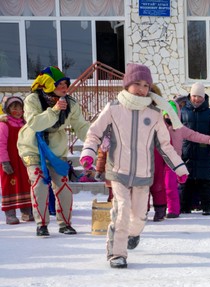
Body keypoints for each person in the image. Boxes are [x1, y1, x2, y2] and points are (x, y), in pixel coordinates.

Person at [79, 63, 189, 269]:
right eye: (137, 83)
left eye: (146, 85)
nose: (142, 88)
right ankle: (116, 253)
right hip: (118, 171)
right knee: (122, 210)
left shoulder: (155, 114)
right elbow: (94, 133)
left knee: (139, 216)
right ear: (127, 84)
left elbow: (165, 145)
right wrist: (88, 154)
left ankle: (133, 233)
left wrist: (179, 168)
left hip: (142, 173)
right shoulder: (113, 109)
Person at [17, 66, 90, 237]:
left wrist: (96, 139)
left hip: (56, 149)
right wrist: (55, 110)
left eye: (66, 84)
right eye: (60, 84)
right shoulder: (32, 100)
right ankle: (41, 224)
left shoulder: (70, 103)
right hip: (33, 147)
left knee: (63, 185)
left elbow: (81, 126)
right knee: (40, 185)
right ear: (48, 85)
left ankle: (65, 223)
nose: (65, 88)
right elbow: (35, 123)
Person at [151, 98, 210, 221]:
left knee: (170, 186)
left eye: (172, 114)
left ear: (177, 115)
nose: (169, 116)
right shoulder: (158, 126)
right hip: (158, 160)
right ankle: (158, 210)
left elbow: (194, 135)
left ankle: (174, 210)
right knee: (157, 186)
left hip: (173, 162)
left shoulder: (179, 128)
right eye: (167, 114)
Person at [178, 82, 210, 215]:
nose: (196, 99)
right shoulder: (183, 111)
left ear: (204, 98)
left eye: (199, 97)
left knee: (204, 181)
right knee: (187, 181)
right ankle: (185, 207)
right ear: (190, 96)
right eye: (194, 96)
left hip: (204, 152)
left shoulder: (209, 113)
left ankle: (206, 207)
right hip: (187, 151)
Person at [1, 96, 34, 224]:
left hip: (23, 159)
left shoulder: (25, 124)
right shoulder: (4, 125)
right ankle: (10, 214)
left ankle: (26, 212)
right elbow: (1, 145)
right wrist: (4, 162)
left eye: (20, 108)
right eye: (15, 108)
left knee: (25, 184)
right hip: (10, 160)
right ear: (8, 110)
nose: (18, 111)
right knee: (9, 185)